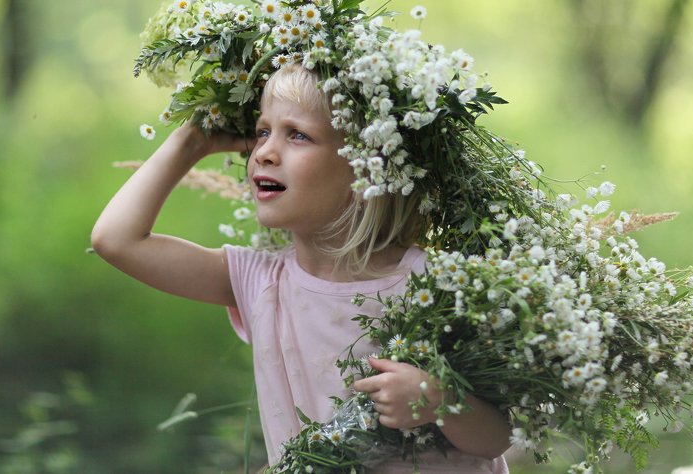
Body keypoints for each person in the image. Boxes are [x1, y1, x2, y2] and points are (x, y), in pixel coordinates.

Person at [91, 63, 512, 473]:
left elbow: (498, 436)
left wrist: (436, 399)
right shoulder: (259, 282)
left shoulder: (435, 286)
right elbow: (117, 241)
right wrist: (191, 141)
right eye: (261, 132)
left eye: (297, 135)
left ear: (366, 167)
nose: (264, 153)